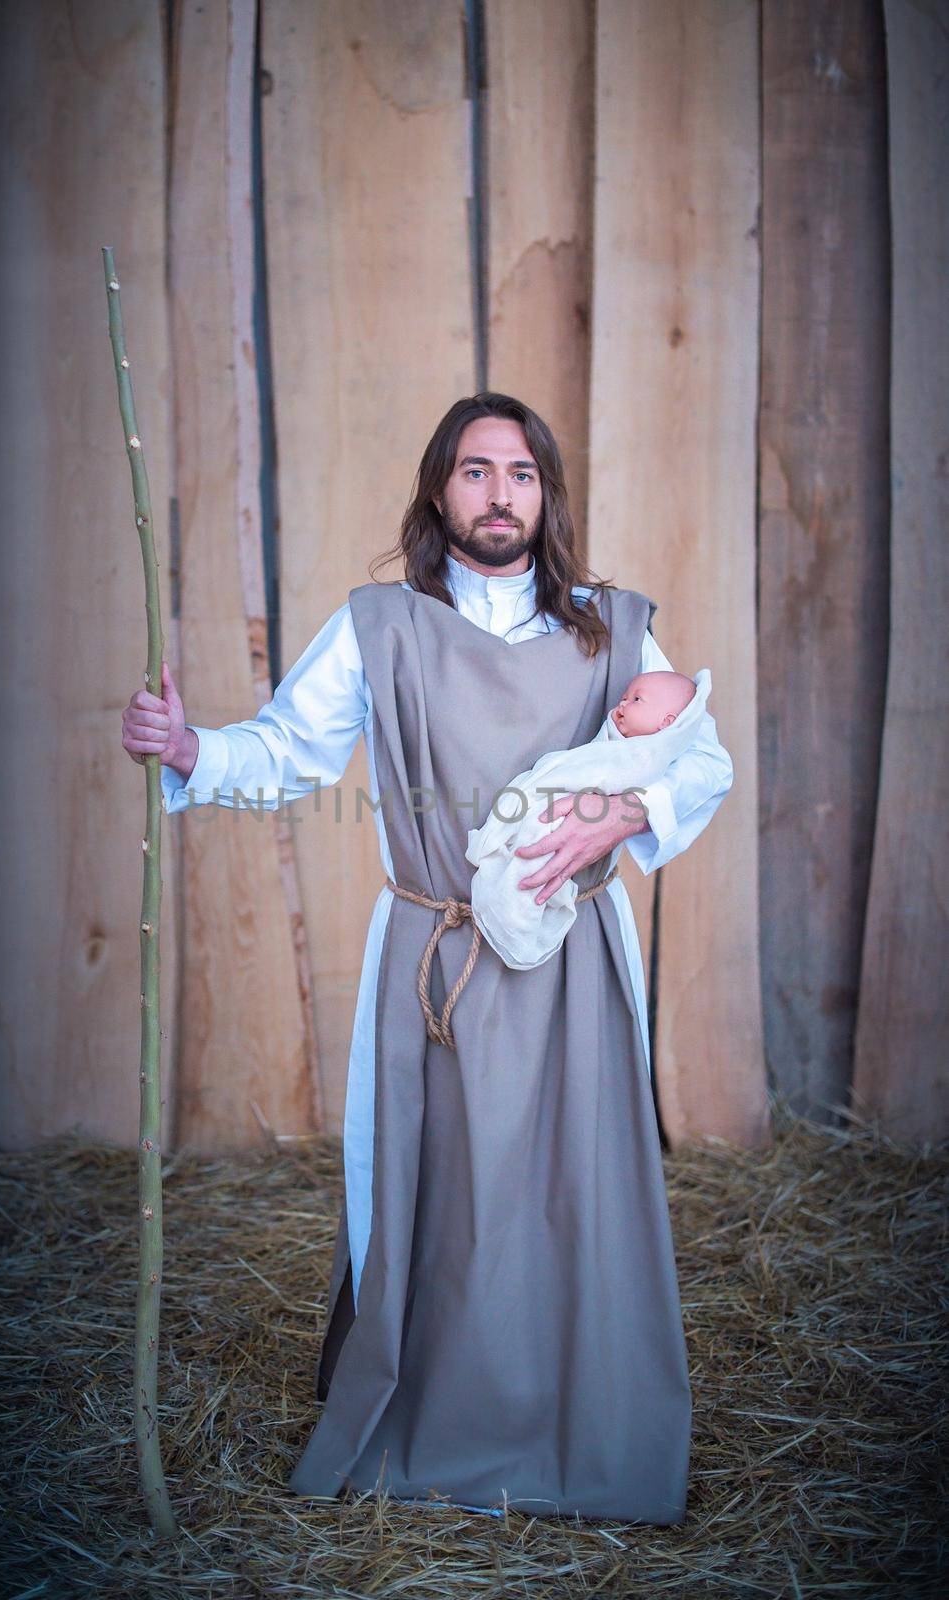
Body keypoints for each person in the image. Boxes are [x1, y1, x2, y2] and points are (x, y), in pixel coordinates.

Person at [121, 392, 733, 1523]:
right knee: (440, 1191)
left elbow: (701, 760)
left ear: (546, 494)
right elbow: (290, 744)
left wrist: (618, 822)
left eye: (521, 473)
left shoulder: (612, 625)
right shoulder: (381, 628)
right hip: (433, 955)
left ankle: (582, 1429)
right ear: (438, 490)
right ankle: (432, 1429)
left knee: (570, 1190)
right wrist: (191, 745)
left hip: (570, 962)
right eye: (473, 470)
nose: (498, 492)